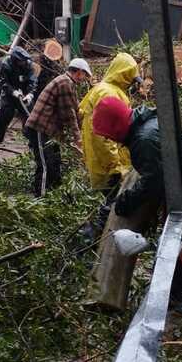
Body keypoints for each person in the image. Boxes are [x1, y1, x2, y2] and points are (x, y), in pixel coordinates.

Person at [92, 96, 182, 314]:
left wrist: (127, 201)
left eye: (109, 134)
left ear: (116, 126)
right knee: (175, 241)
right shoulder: (143, 126)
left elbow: (153, 181)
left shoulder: (144, 139)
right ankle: (174, 292)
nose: (111, 139)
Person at [77, 52, 139, 238]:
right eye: (130, 77)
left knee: (106, 197)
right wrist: (116, 165)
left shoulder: (102, 88)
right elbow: (104, 135)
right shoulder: (109, 93)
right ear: (123, 74)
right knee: (111, 200)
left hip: (100, 157)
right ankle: (97, 237)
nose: (132, 82)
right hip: (108, 160)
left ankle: (97, 233)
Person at [24, 58, 92, 196]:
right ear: (78, 72)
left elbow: (75, 108)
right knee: (45, 165)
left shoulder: (68, 83)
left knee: (55, 163)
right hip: (40, 128)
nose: (84, 79)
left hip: (51, 132)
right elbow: (68, 113)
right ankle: (41, 199)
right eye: (85, 75)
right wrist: (78, 138)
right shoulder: (64, 83)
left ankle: (54, 195)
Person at [0, 46, 36, 145]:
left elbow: (32, 81)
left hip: (24, 94)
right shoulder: (6, 64)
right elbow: (3, 82)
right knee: (4, 114)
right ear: (15, 59)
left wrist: (30, 94)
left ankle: (31, 142)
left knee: (29, 116)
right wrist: (13, 92)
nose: (23, 62)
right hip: (9, 94)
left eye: (24, 61)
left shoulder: (28, 65)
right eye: (21, 61)